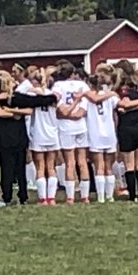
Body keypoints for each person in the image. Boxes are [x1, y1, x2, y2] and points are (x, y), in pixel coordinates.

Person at [52, 61, 89, 205]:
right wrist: (75, 113)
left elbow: (61, 110)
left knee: (69, 162)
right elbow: (82, 111)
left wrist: (67, 113)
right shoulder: (82, 85)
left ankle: (70, 197)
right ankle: (85, 196)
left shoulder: (57, 86)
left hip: (65, 126)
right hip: (81, 126)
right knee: (82, 161)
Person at [0, 71, 32, 206]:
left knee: (8, 168)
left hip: (7, 137)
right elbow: (27, 111)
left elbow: (28, 110)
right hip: (16, 136)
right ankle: (21, 196)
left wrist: (11, 111)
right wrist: (16, 113)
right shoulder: (12, 98)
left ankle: (9, 196)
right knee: (18, 168)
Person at [23, 66, 60, 205]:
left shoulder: (31, 95)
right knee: (51, 166)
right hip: (52, 132)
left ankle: (43, 198)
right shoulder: (53, 94)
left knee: (40, 166)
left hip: (38, 132)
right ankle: (51, 198)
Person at [82, 72, 119, 203]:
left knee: (99, 166)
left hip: (95, 133)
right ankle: (110, 196)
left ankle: (101, 197)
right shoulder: (110, 96)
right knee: (108, 166)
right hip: (109, 132)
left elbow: (82, 112)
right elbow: (119, 107)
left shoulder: (87, 97)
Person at [115, 66, 138, 201]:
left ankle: (132, 195)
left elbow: (123, 106)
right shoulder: (137, 92)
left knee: (129, 164)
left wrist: (127, 107)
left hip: (126, 127)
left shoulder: (117, 93)